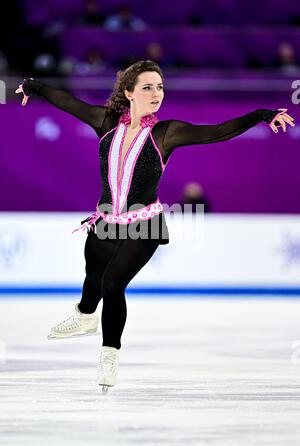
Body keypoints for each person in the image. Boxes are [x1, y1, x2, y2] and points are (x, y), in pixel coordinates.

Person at [15, 60, 295, 391]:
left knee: (112, 283)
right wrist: (33, 85)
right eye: (148, 87)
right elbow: (67, 101)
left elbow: (216, 131)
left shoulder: (165, 133)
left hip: (145, 224)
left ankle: (109, 353)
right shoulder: (105, 123)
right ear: (129, 93)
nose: (156, 93)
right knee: (92, 277)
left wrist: (262, 114)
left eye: (160, 87)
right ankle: (85, 315)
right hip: (105, 221)